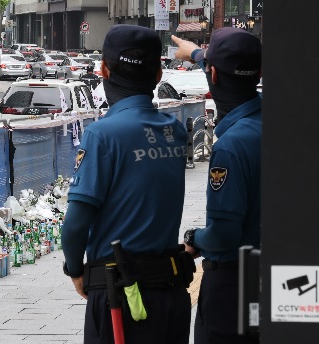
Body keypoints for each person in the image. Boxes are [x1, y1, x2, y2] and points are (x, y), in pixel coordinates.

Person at [61, 24, 193, 344]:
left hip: (120, 299)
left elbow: (76, 223)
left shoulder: (102, 135)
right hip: (172, 296)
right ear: (159, 74)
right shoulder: (173, 131)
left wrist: (75, 269)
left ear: (104, 69)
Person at [172, 27, 262, 344]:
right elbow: (220, 72)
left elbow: (224, 234)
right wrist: (195, 53)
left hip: (231, 290)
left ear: (213, 74)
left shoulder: (231, 146)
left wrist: (194, 238)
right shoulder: (273, 123)